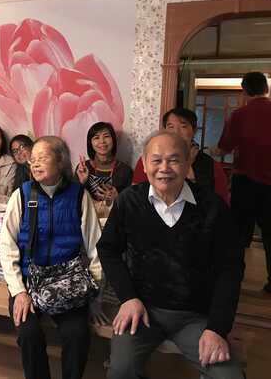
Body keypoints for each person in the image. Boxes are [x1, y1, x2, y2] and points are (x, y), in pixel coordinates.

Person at [97, 130, 244, 379]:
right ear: (145, 165)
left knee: (228, 376)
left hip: (195, 317)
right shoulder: (129, 201)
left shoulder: (212, 206)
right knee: (120, 371)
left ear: (187, 164)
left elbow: (231, 269)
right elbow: (107, 249)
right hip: (141, 311)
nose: (164, 168)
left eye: (174, 160)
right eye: (156, 160)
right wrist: (128, 298)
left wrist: (217, 328)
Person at [0, 136, 105, 379]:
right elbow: (7, 246)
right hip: (29, 281)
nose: (35, 163)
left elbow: (96, 248)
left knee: (77, 335)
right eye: (33, 159)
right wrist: (18, 291)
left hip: (67, 282)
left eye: (43, 158)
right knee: (28, 333)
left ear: (60, 161)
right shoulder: (22, 195)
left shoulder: (79, 196)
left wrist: (94, 295)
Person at [215, 71, 271, 293]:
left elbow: (224, 147)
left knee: (237, 235)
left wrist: (212, 152)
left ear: (244, 90)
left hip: (245, 180)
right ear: (266, 88)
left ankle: (233, 280)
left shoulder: (239, 115)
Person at [132, 107, 229, 203]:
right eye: (171, 127)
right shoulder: (149, 160)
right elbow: (136, 197)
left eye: (183, 126)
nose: (176, 132)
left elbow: (220, 204)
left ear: (194, 131)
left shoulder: (212, 166)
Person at [75, 122, 132, 205]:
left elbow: (131, 204)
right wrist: (82, 182)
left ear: (113, 140)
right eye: (96, 137)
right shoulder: (83, 168)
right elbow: (73, 199)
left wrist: (118, 198)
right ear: (90, 143)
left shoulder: (125, 170)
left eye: (106, 136)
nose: (102, 141)